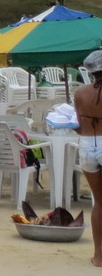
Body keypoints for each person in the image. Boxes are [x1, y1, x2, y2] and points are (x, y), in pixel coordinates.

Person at [73, 50, 102, 267]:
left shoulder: (80, 93)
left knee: (99, 202)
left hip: (87, 145)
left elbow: (78, 126)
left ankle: (98, 256)